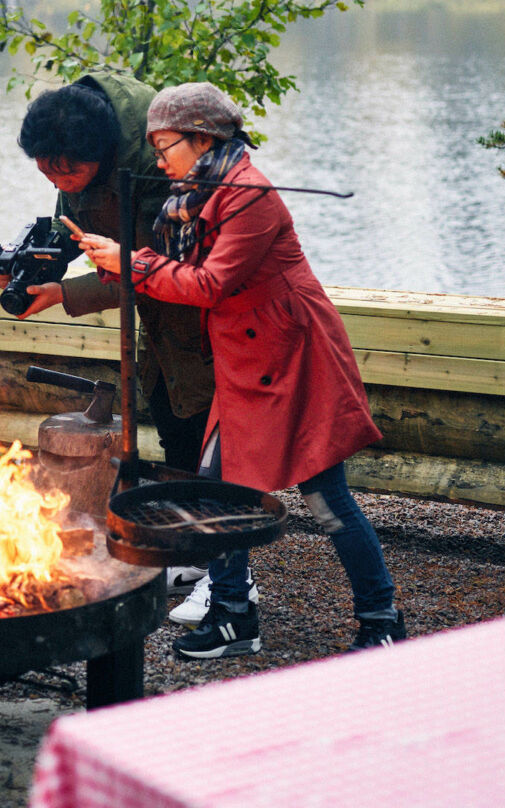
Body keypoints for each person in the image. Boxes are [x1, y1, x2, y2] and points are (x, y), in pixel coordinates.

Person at [78, 82, 406, 657]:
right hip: (243, 364)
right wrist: (116, 265)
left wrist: (131, 263)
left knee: (327, 499)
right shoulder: (193, 194)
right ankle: (233, 616)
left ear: (203, 138)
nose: (158, 158)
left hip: (294, 361)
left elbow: (209, 284)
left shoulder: (249, 196)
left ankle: (382, 620)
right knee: (218, 490)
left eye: (165, 144)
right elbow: (172, 268)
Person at [8, 73, 223, 606]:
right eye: (47, 171)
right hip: (160, 324)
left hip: (203, 313)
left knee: (213, 444)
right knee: (174, 425)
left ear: (101, 155)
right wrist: (34, 271)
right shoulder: (72, 148)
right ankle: (191, 554)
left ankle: (228, 576)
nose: (59, 180)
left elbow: (151, 271)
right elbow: (73, 228)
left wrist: (64, 293)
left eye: (68, 171)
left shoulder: (157, 167)